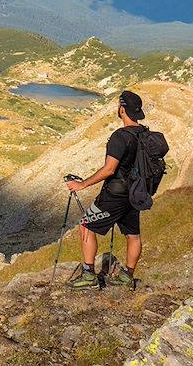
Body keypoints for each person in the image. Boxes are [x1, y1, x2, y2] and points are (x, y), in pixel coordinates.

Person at [65, 90, 147, 290]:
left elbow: (109, 169)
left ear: (121, 109)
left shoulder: (120, 136)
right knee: (133, 234)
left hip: (116, 193)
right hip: (136, 193)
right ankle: (127, 277)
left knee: (86, 225)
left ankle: (89, 275)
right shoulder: (145, 133)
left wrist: (82, 184)